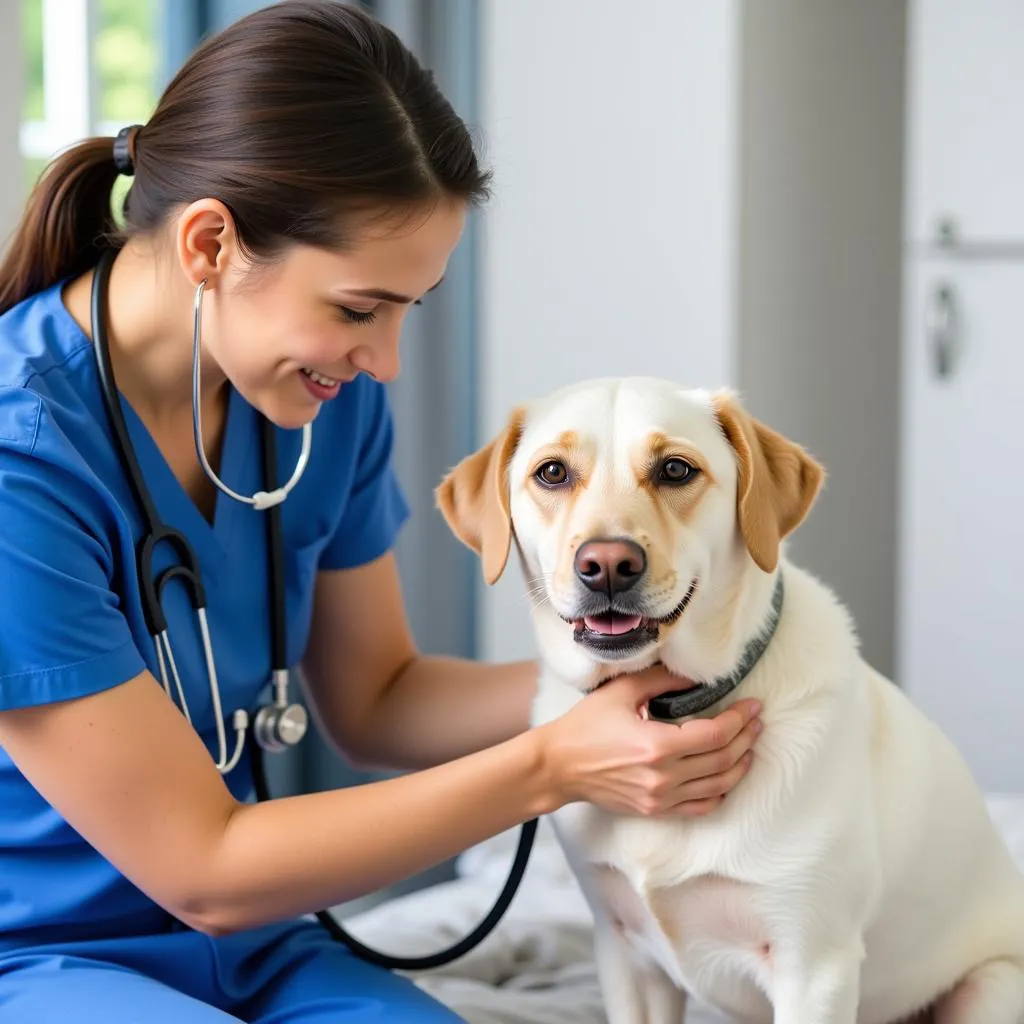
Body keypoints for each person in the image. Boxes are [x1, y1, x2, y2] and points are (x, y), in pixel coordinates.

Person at [0, 2, 763, 1021]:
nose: (384, 362)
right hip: (40, 956)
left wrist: (632, 664)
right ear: (210, 243)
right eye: (359, 309)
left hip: (251, 947)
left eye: (410, 307)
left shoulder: (320, 408)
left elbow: (379, 699)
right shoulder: (21, 461)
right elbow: (202, 867)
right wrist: (552, 763)